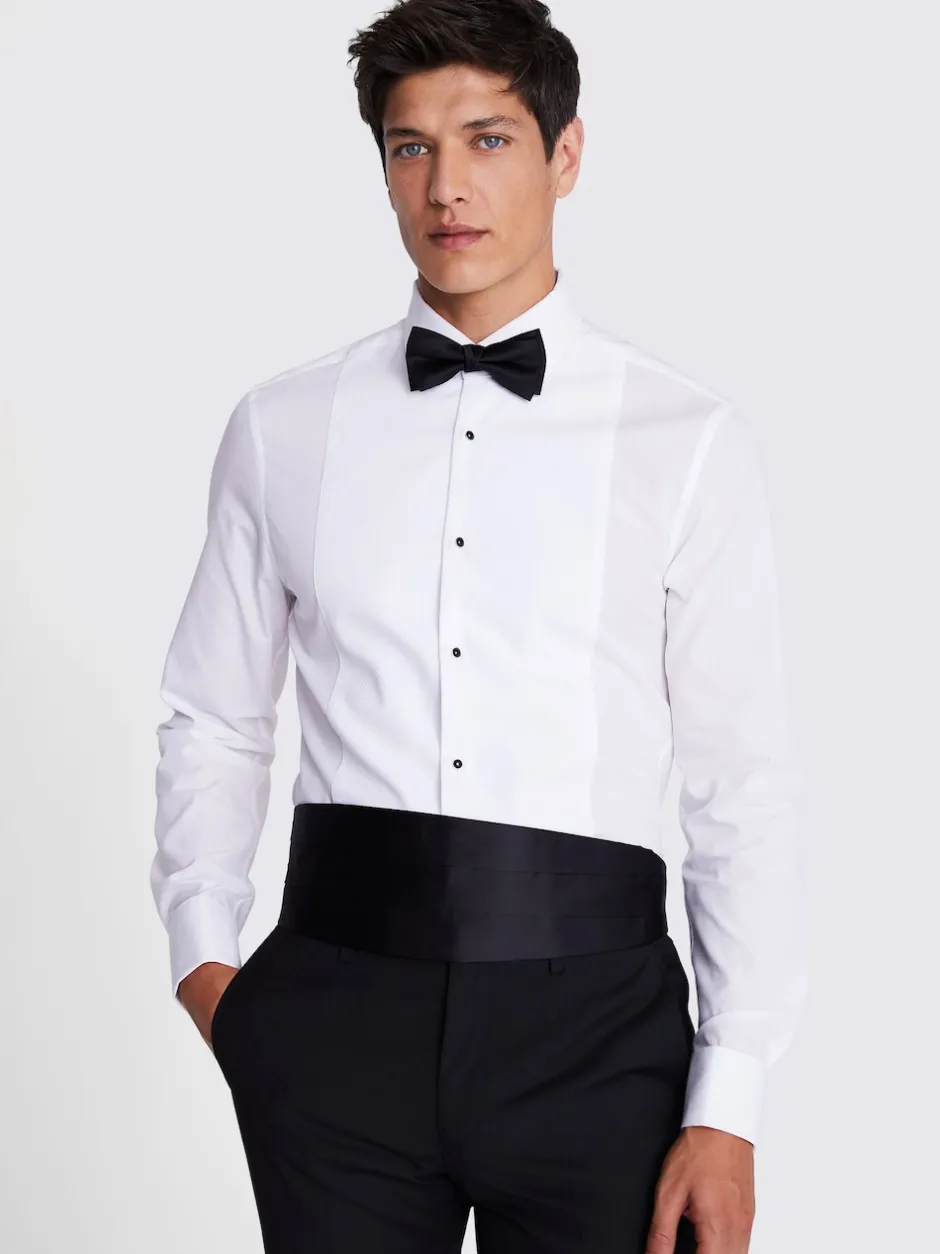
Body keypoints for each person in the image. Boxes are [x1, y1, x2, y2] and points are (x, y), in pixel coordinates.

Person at [150, 1, 807, 1251]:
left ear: (566, 154)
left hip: (598, 1033)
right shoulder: (282, 427)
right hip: (333, 1014)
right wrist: (205, 966)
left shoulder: (686, 440)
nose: (446, 186)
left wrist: (729, 1104)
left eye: (489, 140)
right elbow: (215, 715)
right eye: (411, 147)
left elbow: (740, 780)